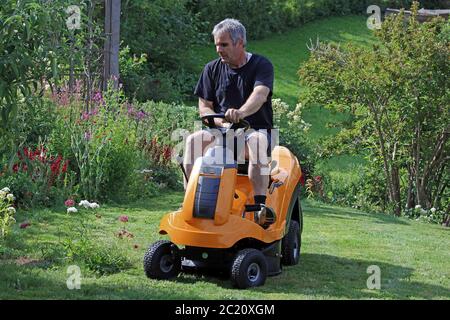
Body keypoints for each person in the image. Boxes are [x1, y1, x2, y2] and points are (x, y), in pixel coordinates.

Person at [184, 18, 274, 206]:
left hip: (255, 130)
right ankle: (190, 201)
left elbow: (260, 95)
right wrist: (221, 123)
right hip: (222, 131)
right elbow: (204, 106)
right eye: (217, 44)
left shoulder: (261, 65)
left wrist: (240, 113)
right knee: (193, 141)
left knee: (258, 142)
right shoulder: (211, 69)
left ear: (239, 42)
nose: (219, 49)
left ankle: (260, 206)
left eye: (224, 44)